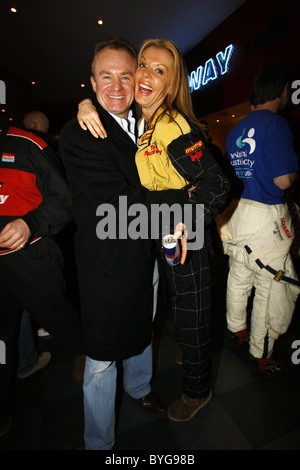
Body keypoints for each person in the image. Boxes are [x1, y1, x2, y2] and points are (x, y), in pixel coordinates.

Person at [76, 38, 230, 423]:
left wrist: (186, 222)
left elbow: (217, 185)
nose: (145, 74)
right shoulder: (144, 123)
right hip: (158, 233)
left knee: (192, 317)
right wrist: (85, 104)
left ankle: (197, 391)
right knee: (178, 311)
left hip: (183, 235)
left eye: (159, 70)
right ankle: (190, 356)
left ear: (172, 84)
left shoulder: (171, 125)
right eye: (143, 64)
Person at [59, 37, 184, 450]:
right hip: (106, 266)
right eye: (105, 77)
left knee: (144, 328)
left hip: (143, 254)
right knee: (100, 356)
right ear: (92, 84)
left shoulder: (148, 123)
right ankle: (98, 442)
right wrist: (180, 208)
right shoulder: (79, 133)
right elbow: (120, 204)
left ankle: (140, 386)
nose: (116, 86)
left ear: (136, 81)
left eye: (125, 76)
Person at [219, 63, 300, 374]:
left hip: (238, 215)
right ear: (282, 91)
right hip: (267, 217)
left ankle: (236, 328)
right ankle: (260, 351)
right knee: (271, 285)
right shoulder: (276, 125)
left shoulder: (236, 129)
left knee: (239, 276)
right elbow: (283, 181)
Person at [0, 124, 81, 438]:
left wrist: (29, 223)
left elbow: (65, 201)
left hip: (31, 257)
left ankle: (85, 353)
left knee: (59, 317)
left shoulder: (28, 144)